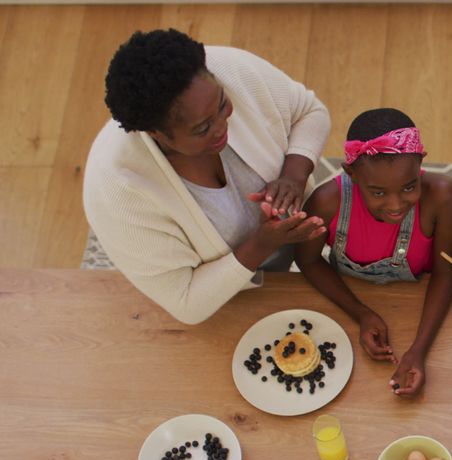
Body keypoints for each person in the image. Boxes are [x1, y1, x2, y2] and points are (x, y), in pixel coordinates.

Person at [83, 29, 329, 324]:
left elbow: (310, 111)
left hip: (311, 246)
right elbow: (186, 301)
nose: (222, 125)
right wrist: (261, 245)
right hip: (229, 300)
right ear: (155, 134)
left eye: (222, 104)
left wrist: (293, 175)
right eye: (202, 129)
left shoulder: (226, 69)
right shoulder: (119, 191)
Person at [295, 108, 452, 396]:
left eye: (410, 187)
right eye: (379, 193)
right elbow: (306, 260)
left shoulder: (443, 195)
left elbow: (447, 271)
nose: (397, 204)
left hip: (418, 306)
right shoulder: (326, 202)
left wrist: (418, 350)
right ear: (352, 174)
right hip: (350, 298)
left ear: (421, 162)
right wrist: (361, 314)